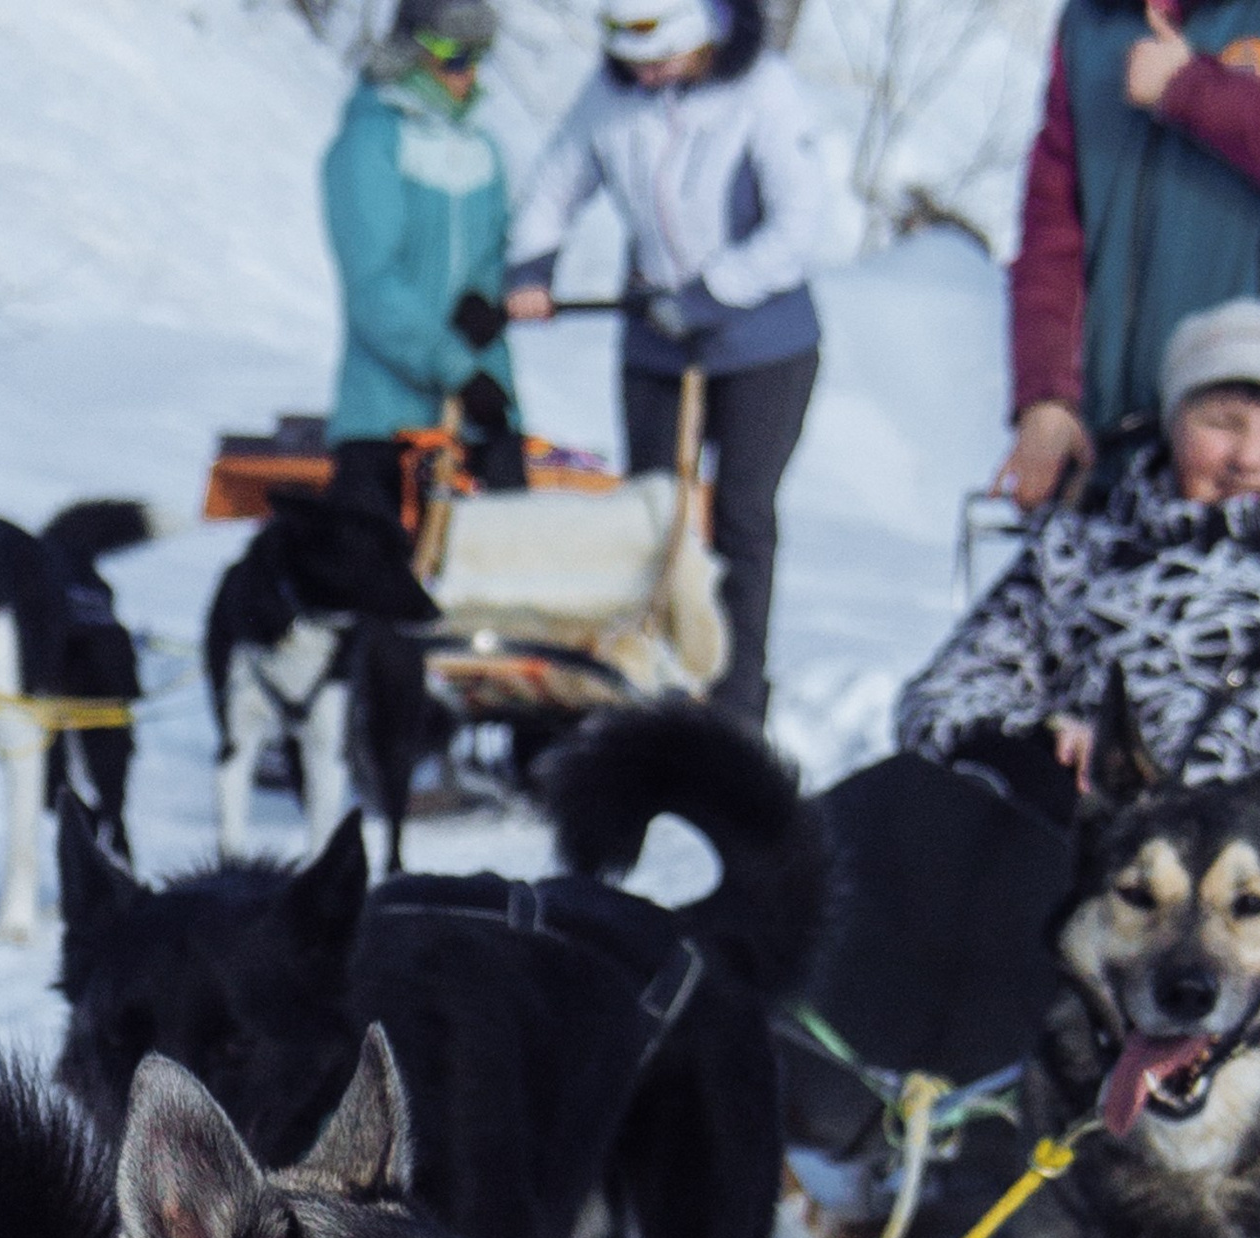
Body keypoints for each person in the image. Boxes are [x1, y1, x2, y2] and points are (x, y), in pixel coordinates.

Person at [504, 0, 827, 732]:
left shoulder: (763, 90)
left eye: (658, 58)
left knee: (739, 516)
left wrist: (715, 291)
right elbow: (557, 183)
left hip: (761, 344)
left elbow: (801, 221)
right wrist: (532, 265)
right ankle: (647, 680)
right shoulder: (612, 97)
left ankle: (738, 700)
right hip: (654, 339)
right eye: (633, 62)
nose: (645, 75)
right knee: (651, 516)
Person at [900, 299, 1260, 811]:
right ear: (1173, 420)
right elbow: (940, 698)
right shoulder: (1083, 549)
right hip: (1075, 848)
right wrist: (1039, 743)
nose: (1248, 457)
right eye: (1222, 423)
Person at [994, 0, 1260, 511]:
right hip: (1112, 456)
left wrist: (1192, 89)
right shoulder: (1090, 24)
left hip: (1241, 460)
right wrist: (1048, 398)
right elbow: (1053, 236)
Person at [321, 0, 527, 515]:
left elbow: (494, 260)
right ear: (413, 54)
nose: (468, 75)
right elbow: (373, 287)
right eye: (455, 58)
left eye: (479, 57)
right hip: (385, 419)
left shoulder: (484, 149)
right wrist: (455, 368)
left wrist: (488, 301)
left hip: (479, 418)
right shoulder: (369, 142)